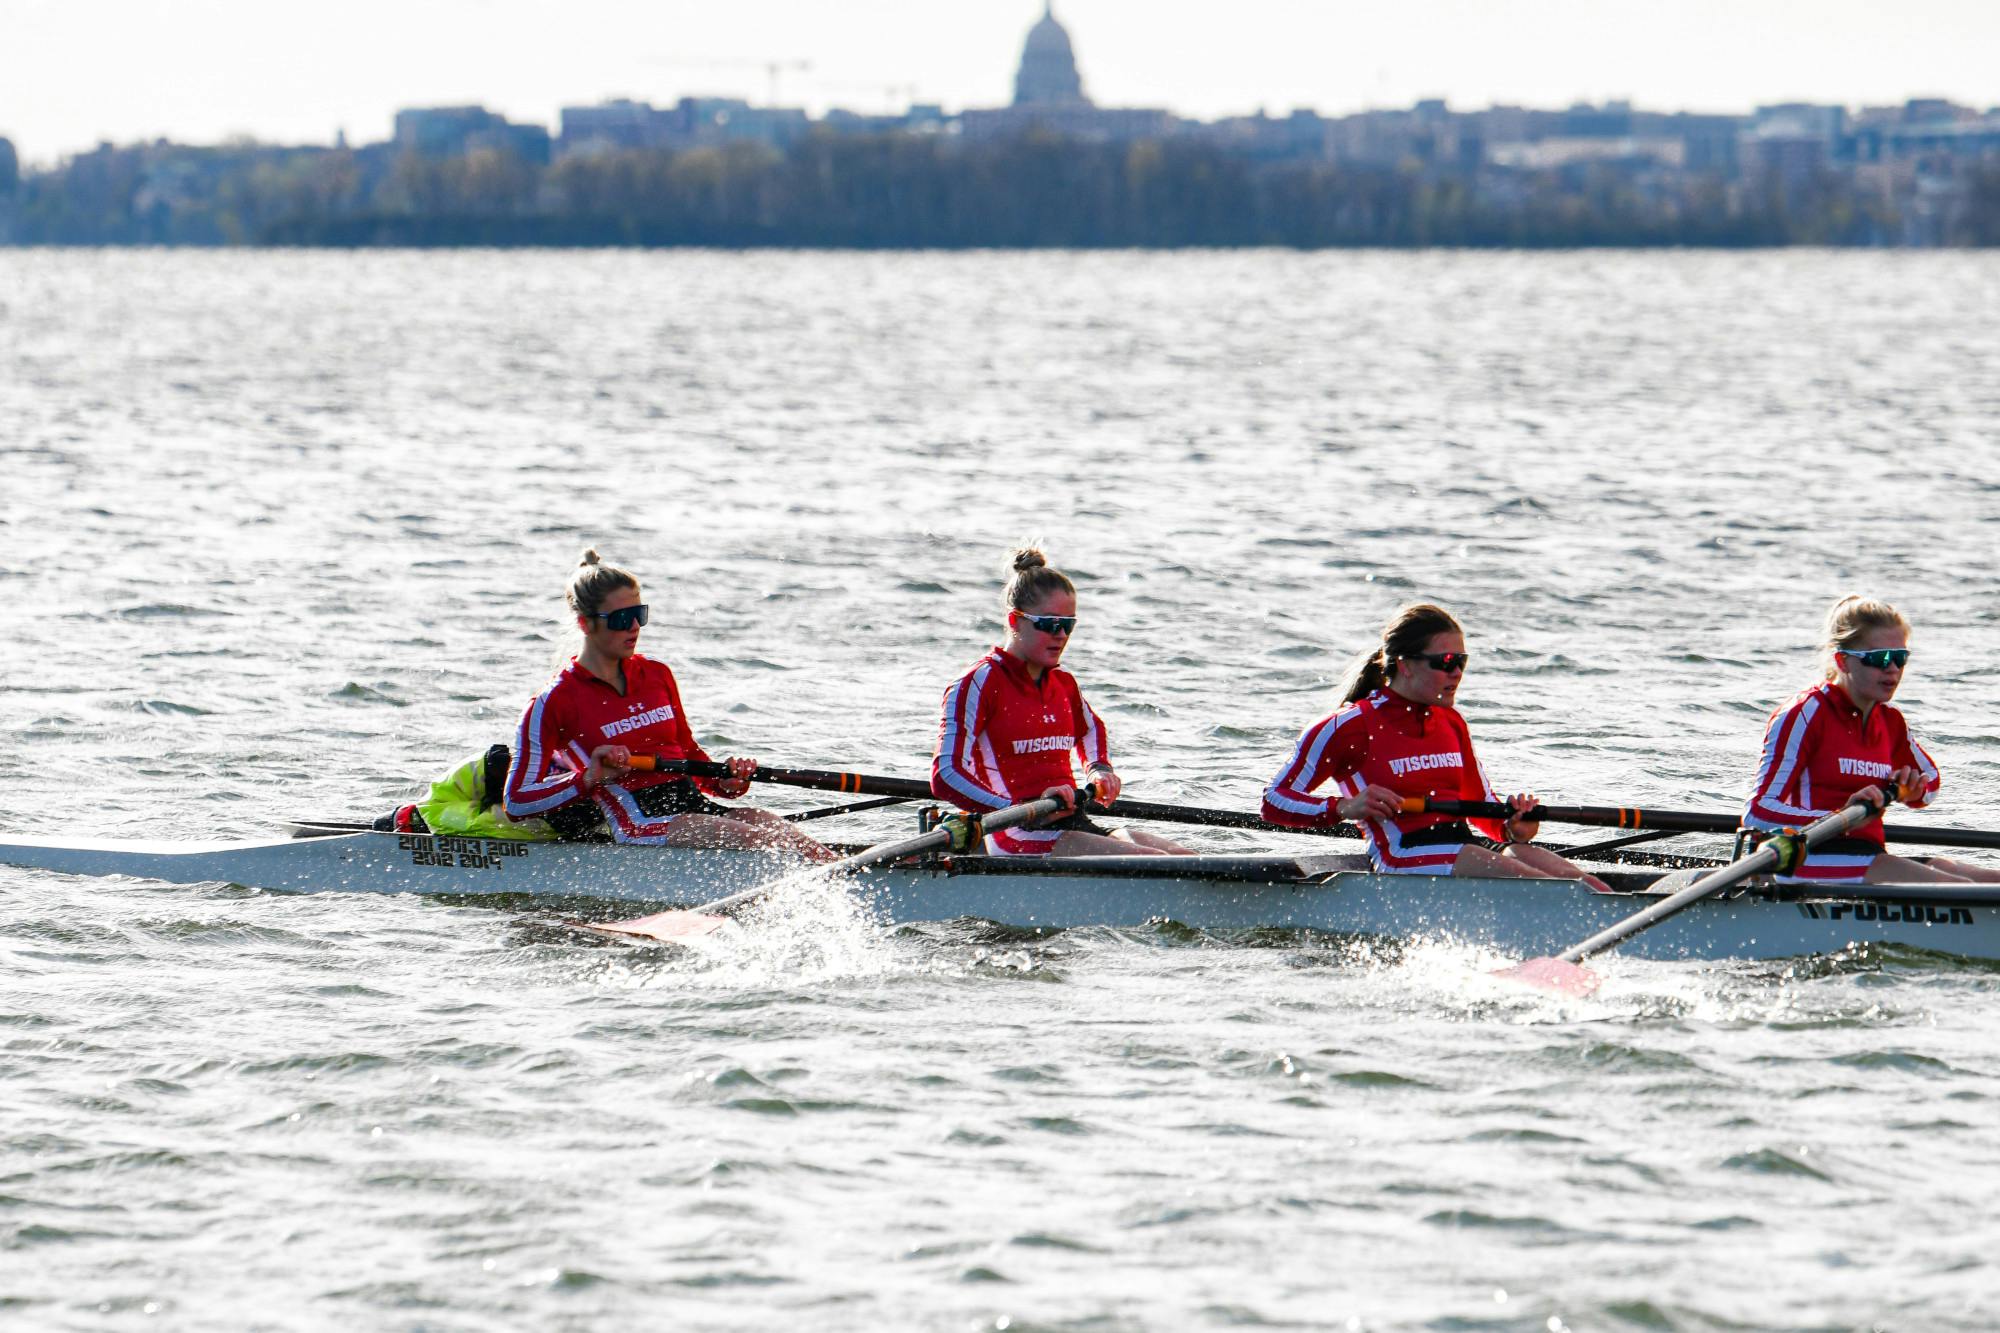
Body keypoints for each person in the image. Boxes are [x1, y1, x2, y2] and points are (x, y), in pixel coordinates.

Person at [503, 549, 836, 861]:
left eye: (639, 615)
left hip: (692, 804)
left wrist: (727, 782)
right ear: (585, 624)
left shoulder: (656, 675)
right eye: (621, 618)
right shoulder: (554, 701)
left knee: (789, 837)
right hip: (638, 821)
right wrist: (589, 777)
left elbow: (688, 754)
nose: (634, 627)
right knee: (757, 840)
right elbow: (516, 801)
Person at [1261, 603, 1610, 891]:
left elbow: (1481, 806)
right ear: (1405, 666)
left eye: (1462, 661)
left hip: (1462, 845)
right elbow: (1274, 801)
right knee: (1551, 889)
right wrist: (1345, 807)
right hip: (1401, 855)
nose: (1457, 673)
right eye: (1445, 663)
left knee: (1587, 885)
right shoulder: (1347, 726)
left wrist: (1513, 826)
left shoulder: (1451, 721)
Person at [931, 548, 1192, 857]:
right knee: (1155, 863)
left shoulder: (1063, 683)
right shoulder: (977, 683)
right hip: (1015, 832)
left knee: (1186, 859)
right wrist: (1017, 809)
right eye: (1050, 624)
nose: (1061, 635)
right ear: (1015, 621)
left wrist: (1099, 770)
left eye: (1068, 625)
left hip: (1072, 822)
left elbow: (1091, 729)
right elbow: (945, 774)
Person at [1743, 595, 1996, 884]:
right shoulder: (1804, 714)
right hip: (1803, 858)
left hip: (1865, 855)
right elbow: (1757, 812)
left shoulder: (1890, 720)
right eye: (1880, 658)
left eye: (1900, 658)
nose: (1893, 669)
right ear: (1843, 661)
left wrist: (1911, 790)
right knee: (1959, 888)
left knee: (1992, 881)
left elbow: (1932, 783)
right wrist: (1839, 818)